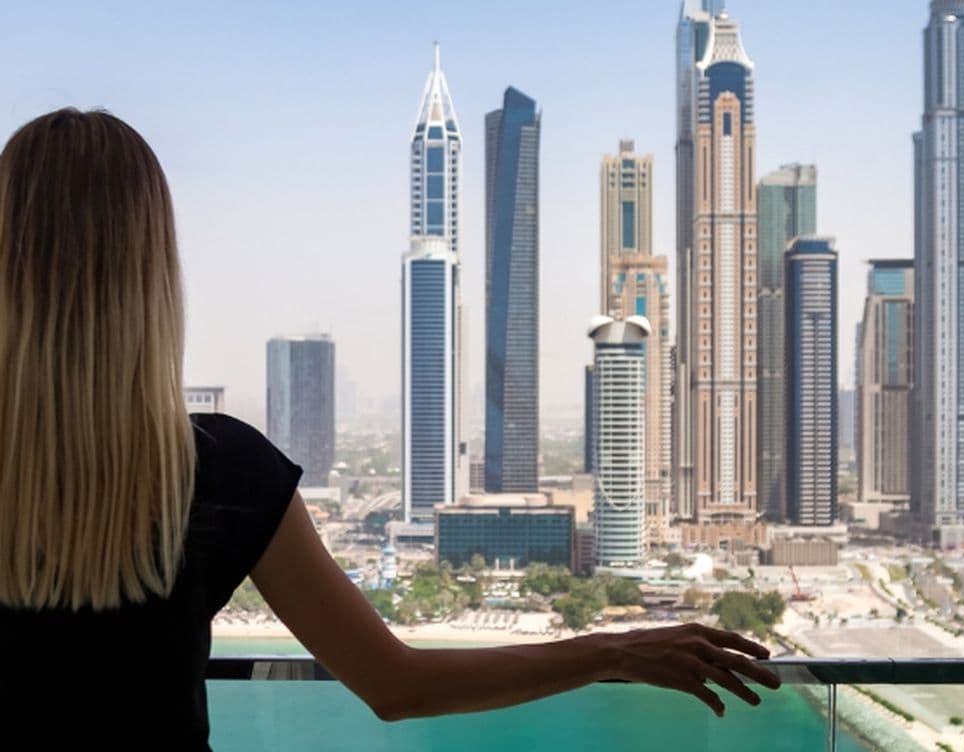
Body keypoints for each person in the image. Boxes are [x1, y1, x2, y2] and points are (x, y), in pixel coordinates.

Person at [0, 109, 779, 749]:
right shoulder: (222, 469)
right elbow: (395, 685)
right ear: (153, 269)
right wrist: (615, 650)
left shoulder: (221, 470)